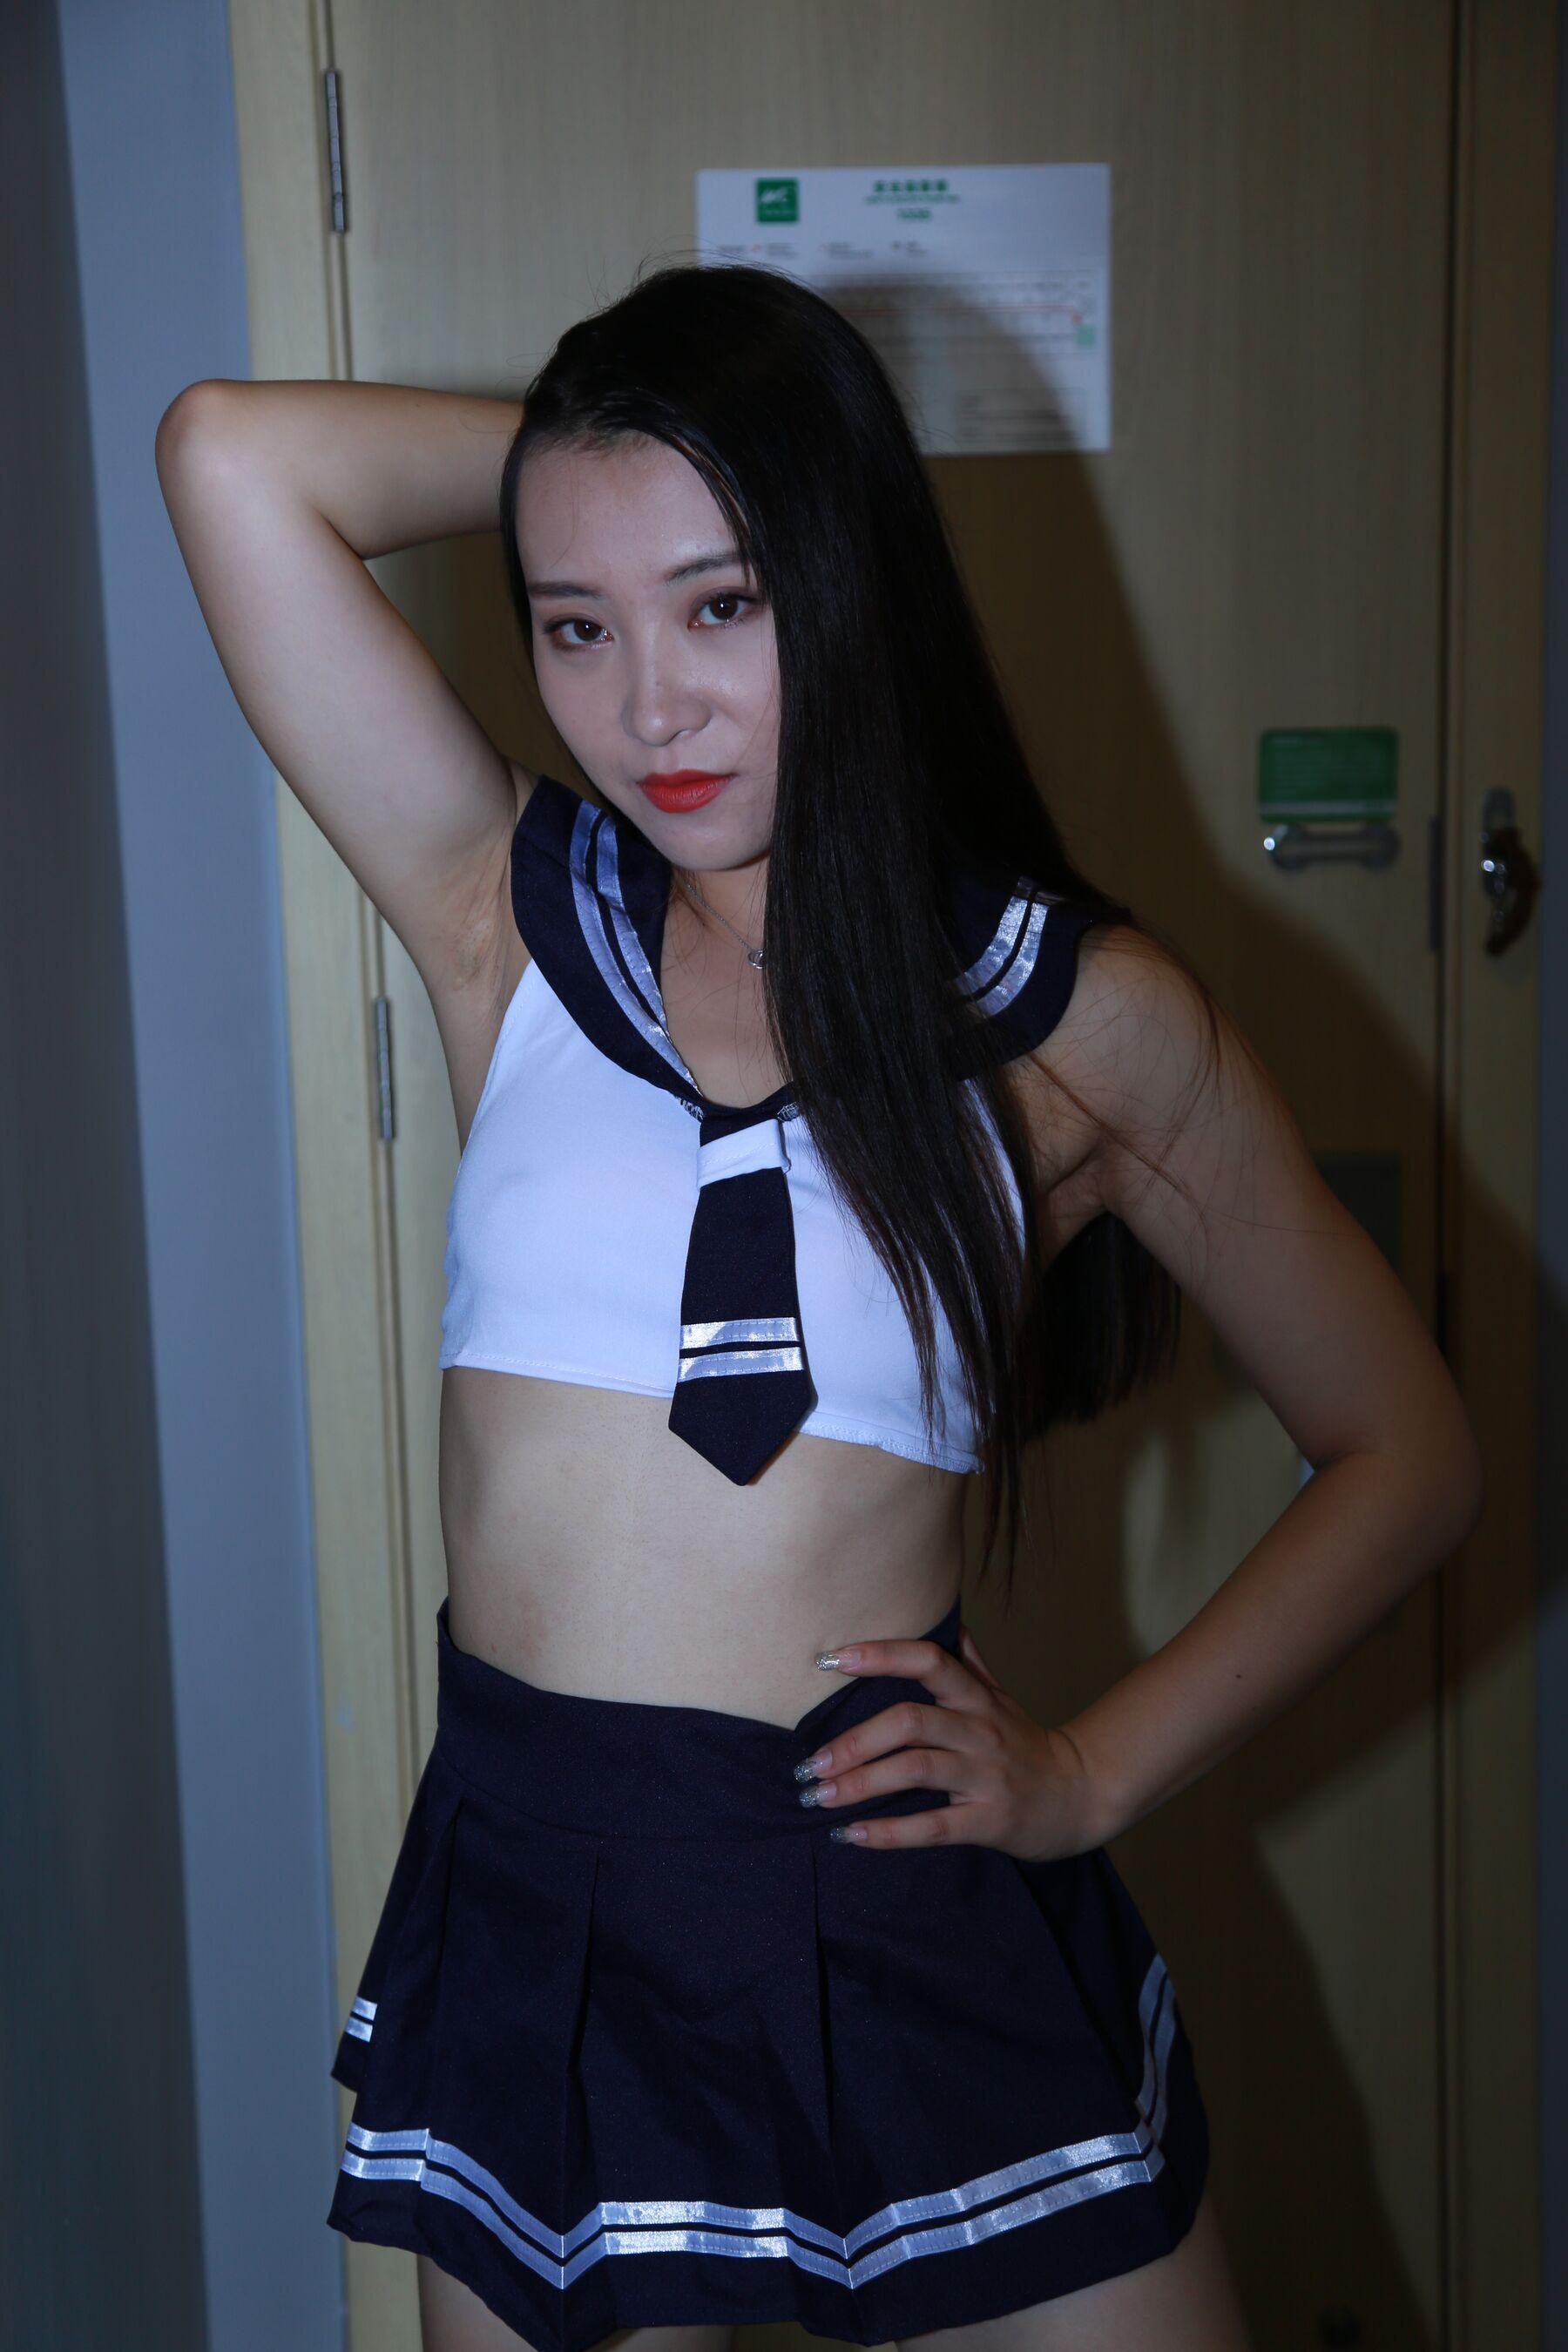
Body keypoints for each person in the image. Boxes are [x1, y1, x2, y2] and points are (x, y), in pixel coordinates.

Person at [156, 260, 1482, 2352]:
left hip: (899, 1894)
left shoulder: (1078, 1024)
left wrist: (1093, 1772)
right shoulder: (512, 923)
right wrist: (603, 471)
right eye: (574, 626)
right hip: (543, 1911)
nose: (648, 710)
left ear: (845, 581)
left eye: (724, 602)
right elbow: (228, 457)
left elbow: (1408, 1453)